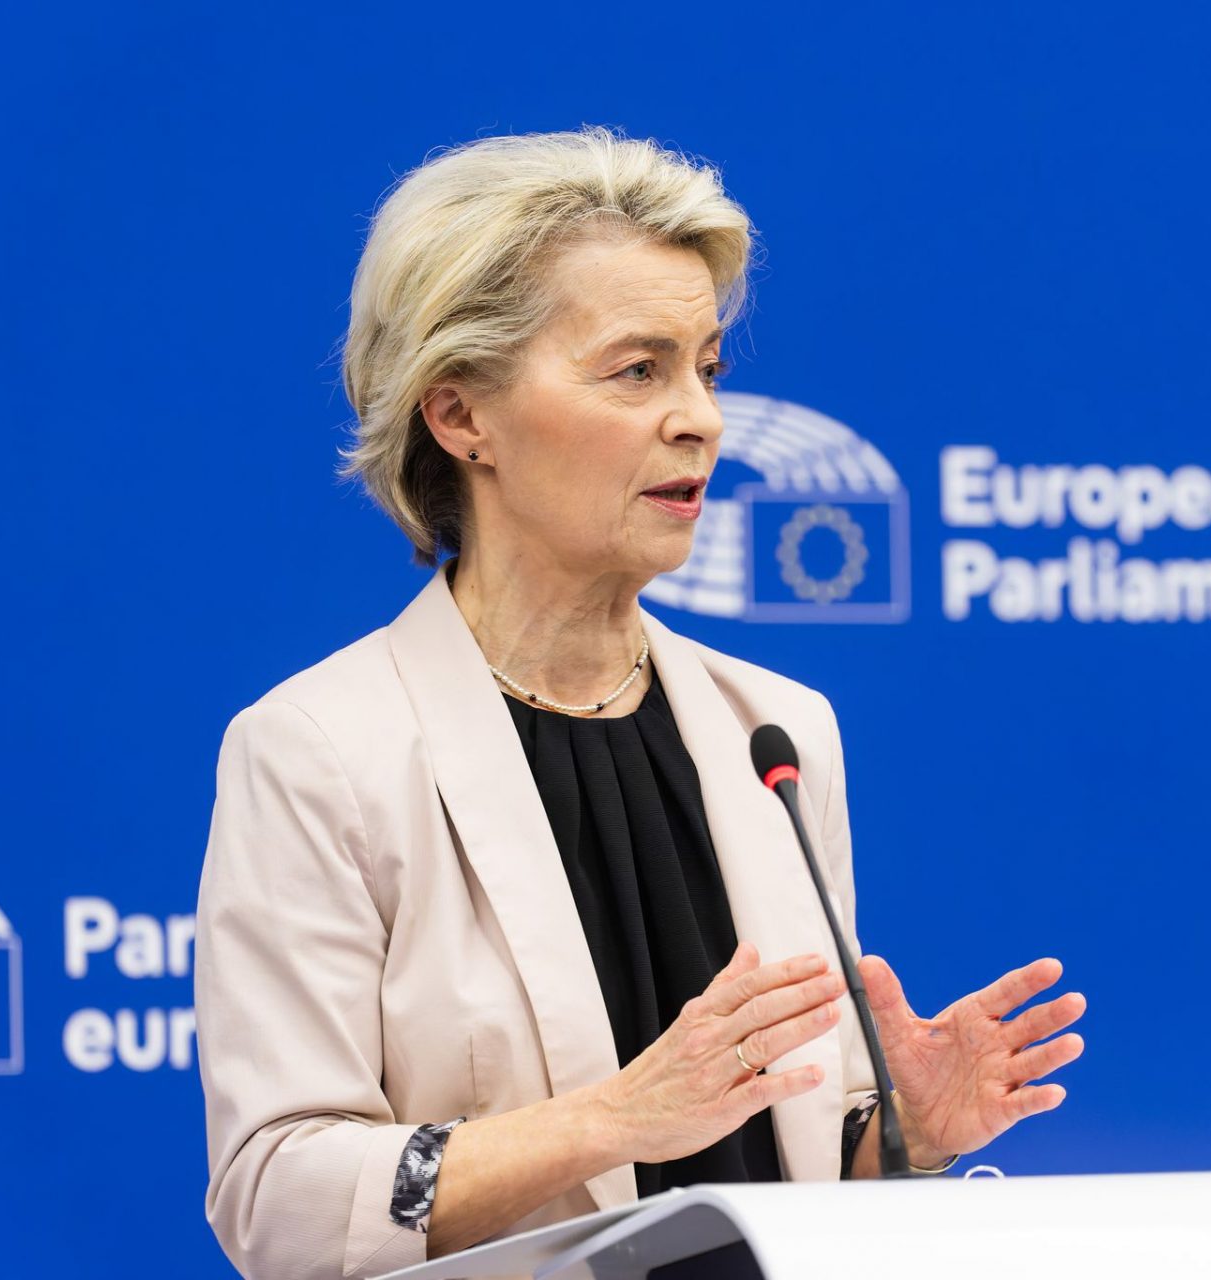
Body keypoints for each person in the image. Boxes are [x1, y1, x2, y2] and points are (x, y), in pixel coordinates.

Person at [193, 126, 1086, 1280]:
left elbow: (789, 1172)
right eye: (637, 369)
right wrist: (614, 1118)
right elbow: (278, 1197)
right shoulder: (322, 750)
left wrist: (903, 1133)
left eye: (707, 368)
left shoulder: (775, 728)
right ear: (461, 415)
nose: (703, 418)